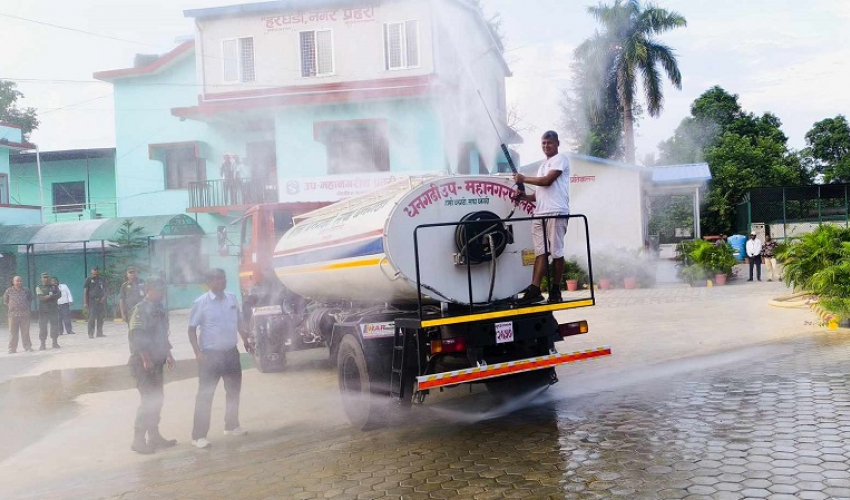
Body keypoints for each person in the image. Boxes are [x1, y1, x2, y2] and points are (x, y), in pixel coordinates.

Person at [188, 268, 254, 449]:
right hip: (210, 356)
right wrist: (197, 352)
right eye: (217, 279)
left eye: (223, 278)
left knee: (233, 391)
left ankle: (231, 425)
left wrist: (245, 340)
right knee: (205, 396)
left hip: (231, 353)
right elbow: (191, 329)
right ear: (208, 283)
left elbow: (238, 320)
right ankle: (198, 436)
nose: (221, 282)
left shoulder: (232, 298)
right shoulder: (201, 303)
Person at [512, 130, 571, 304]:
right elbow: (540, 193)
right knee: (541, 253)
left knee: (556, 253)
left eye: (550, 143)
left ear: (557, 144)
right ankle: (535, 289)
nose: (546, 146)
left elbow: (547, 181)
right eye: (544, 143)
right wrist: (524, 197)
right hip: (540, 213)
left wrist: (523, 178)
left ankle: (555, 289)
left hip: (556, 212)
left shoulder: (561, 160)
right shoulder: (542, 166)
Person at [127, 277, 177, 454]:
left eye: (164, 290)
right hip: (143, 363)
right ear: (148, 289)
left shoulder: (159, 308)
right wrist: (146, 359)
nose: (162, 293)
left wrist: (168, 354)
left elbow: (162, 334)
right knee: (148, 401)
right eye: (159, 290)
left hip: (157, 360)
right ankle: (138, 440)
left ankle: (154, 436)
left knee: (157, 399)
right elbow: (137, 336)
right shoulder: (140, 309)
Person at [4, 276, 33, 354]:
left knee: (25, 332)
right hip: (13, 315)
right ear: (13, 282)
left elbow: (30, 299)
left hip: (25, 314)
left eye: (20, 281)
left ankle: (27, 347)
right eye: (17, 281)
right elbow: (6, 301)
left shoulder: (26, 290)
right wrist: (13, 307)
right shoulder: (8, 291)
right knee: (13, 333)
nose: (19, 282)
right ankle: (12, 349)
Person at [36, 272, 62, 350]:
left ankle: (55, 342)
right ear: (41, 279)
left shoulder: (54, 287)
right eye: (44, 277)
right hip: (43, 311)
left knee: (54, 326)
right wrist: (52, 296)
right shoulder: (39, 287)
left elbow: (59, 295)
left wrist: (49, 296)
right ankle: (42, 344)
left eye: (47, 277)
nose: (46, 279)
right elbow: (42, 298)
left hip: (53, 309)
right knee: (43, 327)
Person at [84, 266, 108, 338]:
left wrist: (104, 298)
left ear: (98, 272)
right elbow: (85, 291)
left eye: (96, 273)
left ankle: (99, 333)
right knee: (91, 318)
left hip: (101, 301)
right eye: (93, 274)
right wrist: (85, 302)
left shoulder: (102, 279)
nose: (94, 275)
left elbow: (107, 290)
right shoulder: (88, 279)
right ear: (91, 273)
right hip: (92, 301)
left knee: (100, 317)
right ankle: (91, 333)